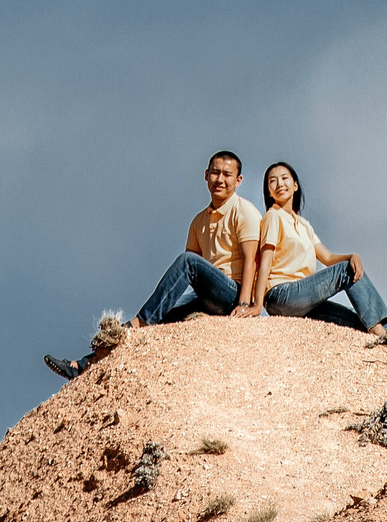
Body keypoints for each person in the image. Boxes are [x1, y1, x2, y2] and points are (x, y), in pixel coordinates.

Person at [44, 150, 264, 381]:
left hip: (233, 291)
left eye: (227, 175)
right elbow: (192, 276)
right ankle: (85, 364)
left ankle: (139, 322)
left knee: (186, 263)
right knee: (164, 315)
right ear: (206, 175)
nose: (220, 179)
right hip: (209, 293)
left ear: (238, 181)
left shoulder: (244, 212)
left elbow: (252, 260)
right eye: (215, 173)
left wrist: (244, 304)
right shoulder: (199, 221)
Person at [252, 161, 387, 341]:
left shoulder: (303, 225)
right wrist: (257, 305)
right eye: (273, 181)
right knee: (346, 271)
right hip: (281, 296)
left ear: (295, 185)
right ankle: (379, 332)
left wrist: (351, 256)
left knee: (359, 318)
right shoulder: (273, 216)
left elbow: (327, 257)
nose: (279, 184)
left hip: (303, 300)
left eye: (284, 178)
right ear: (268, 192)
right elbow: (265, 261)